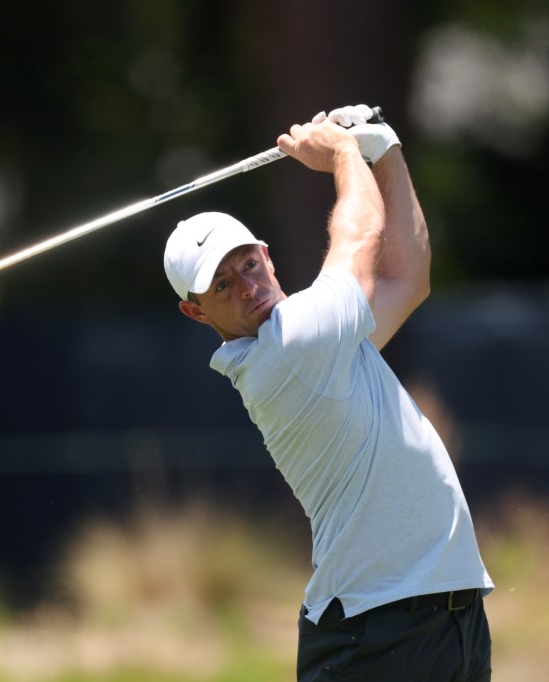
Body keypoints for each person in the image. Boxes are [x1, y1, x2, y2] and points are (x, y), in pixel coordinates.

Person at [163, 104, 493, 681]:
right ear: (195, 312)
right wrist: (343, 154)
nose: (246, 286)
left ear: (265, 253)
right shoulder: (287, 352)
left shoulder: (324, 340)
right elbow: (361, 235)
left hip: (445, 617)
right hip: (375, 631)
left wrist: (383, 149)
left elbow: (406, 278)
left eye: (246, 264)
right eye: (221, 284)